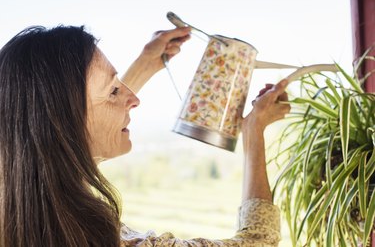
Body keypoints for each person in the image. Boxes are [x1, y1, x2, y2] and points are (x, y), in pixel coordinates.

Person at [0, 25, 290, 247]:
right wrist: (254, 135)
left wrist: (146, 64)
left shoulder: (21, 199)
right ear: (63, 123)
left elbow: (76, 140)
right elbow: (258, 240)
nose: (134, 99)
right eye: (114, 90)